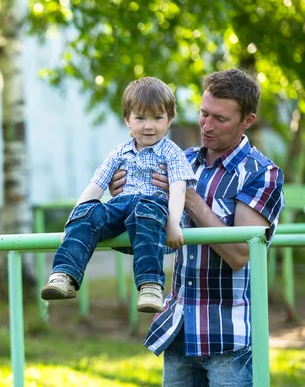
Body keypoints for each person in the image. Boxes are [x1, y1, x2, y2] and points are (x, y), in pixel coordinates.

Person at [109, 69, 285, 385]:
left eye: (220, 118)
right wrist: (123, 204)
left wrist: (189, 198)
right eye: (204, 113)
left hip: (230, 336)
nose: (206, 125)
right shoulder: (179, 160)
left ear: (248, 120)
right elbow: (139, 242)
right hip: (178, 328)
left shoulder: (262, 174)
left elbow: (239, 254)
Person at [40, 76, 196, 313]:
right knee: (90, 211)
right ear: (127, 120)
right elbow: (96, 186)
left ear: (170, 120)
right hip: (120, 207)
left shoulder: (172, 153)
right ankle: (64, 275)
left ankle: (150, 286)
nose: (148, 126)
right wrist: (73, 222)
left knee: (147, 210)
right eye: (140, 118)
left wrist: (174, 223)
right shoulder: (119, 152)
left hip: (152, 212)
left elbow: (177, 189)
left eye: (157, 118)